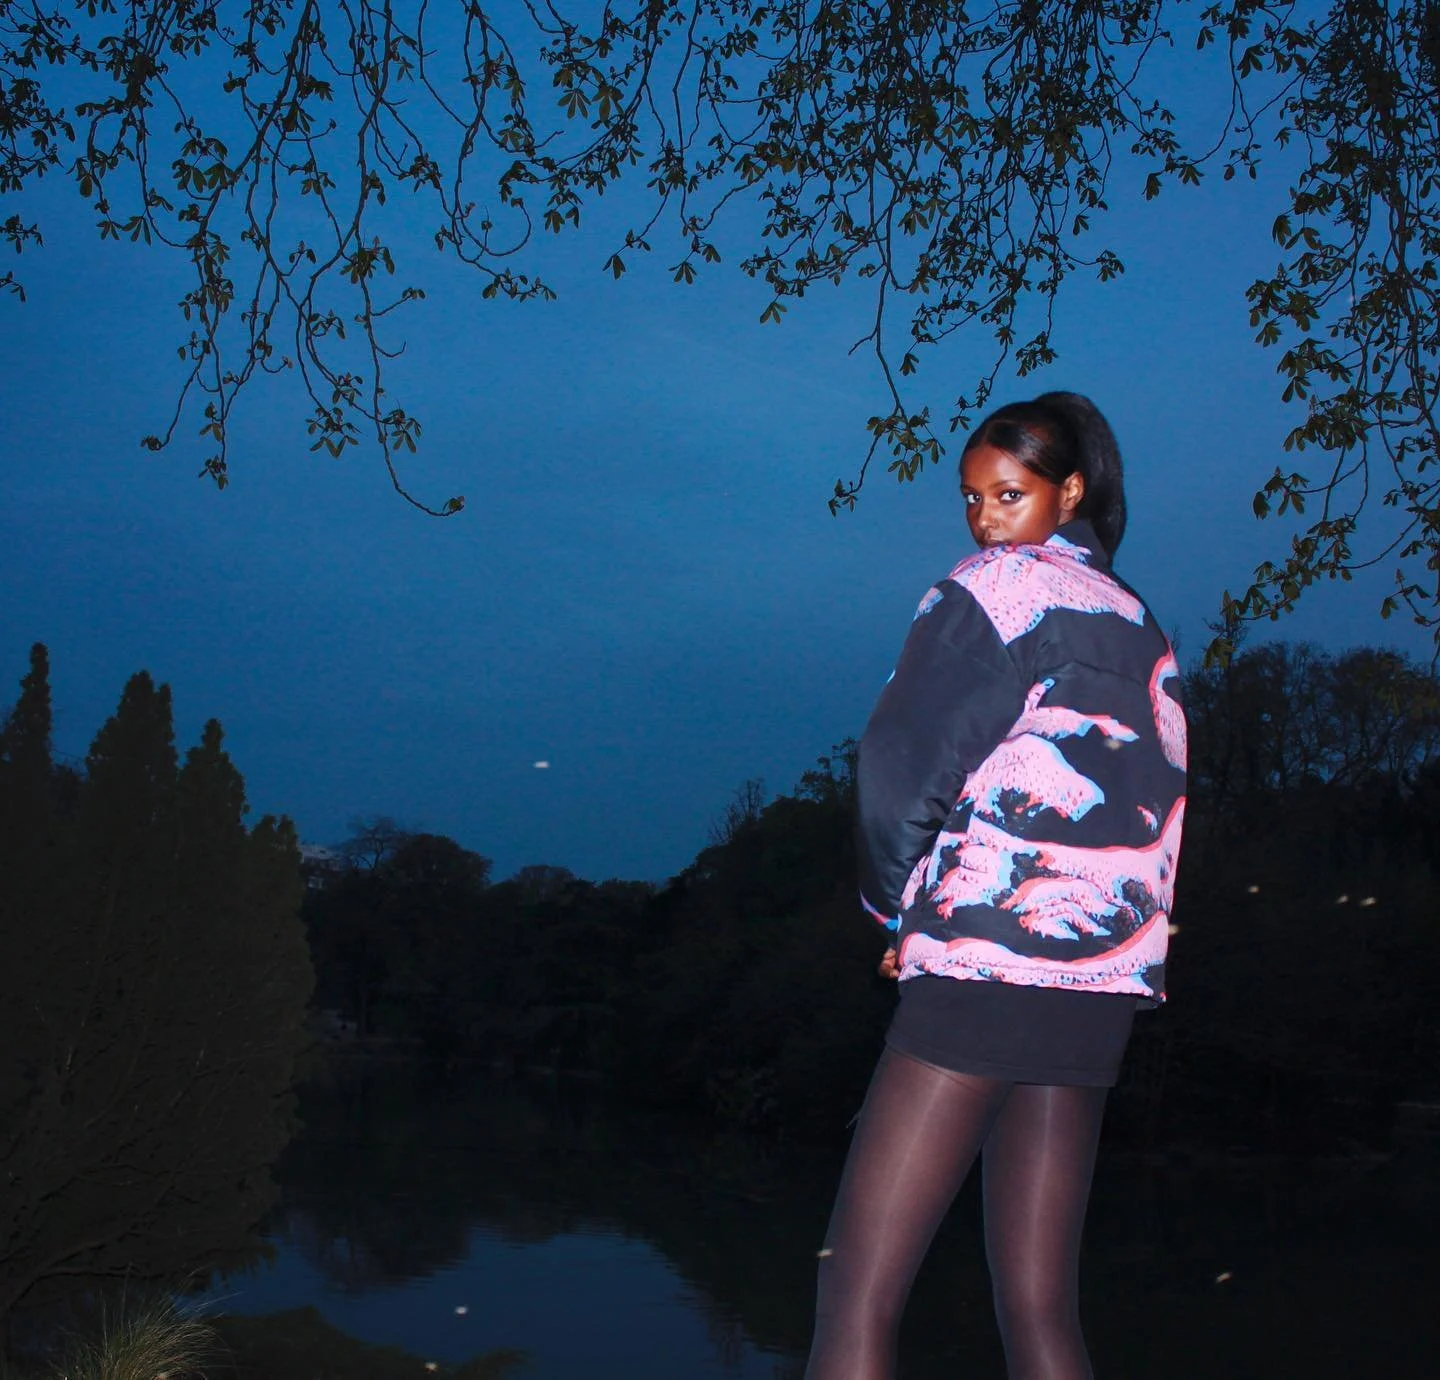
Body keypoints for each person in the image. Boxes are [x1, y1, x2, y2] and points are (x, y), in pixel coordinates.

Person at [805, 392, 1187, 1380]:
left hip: (985, 961)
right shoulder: (1144, 627)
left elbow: (897, 766)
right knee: (1040, 1308)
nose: (984, 520)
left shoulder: (996, 590)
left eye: (1009, 493)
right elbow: (1160, 800)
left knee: (856, 1302)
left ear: (1070, 493)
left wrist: (893, 908)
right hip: (1097, 982)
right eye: (972, 499)